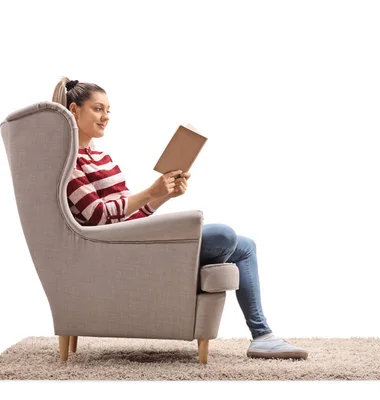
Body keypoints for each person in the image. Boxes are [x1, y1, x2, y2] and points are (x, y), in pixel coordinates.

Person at [52, 76, 308, 360]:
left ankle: (262, 336)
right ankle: (262, 336)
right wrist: (150, 191)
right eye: (98, 109)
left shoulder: (103, 158)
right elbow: (97, 216)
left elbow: (132, 214)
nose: (106, 117)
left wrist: (164, 194)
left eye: (108, 110)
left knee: (245, 245)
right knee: (223, 235)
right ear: (74, 111)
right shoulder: (68, 162)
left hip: (132, 238)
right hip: (118, 250)